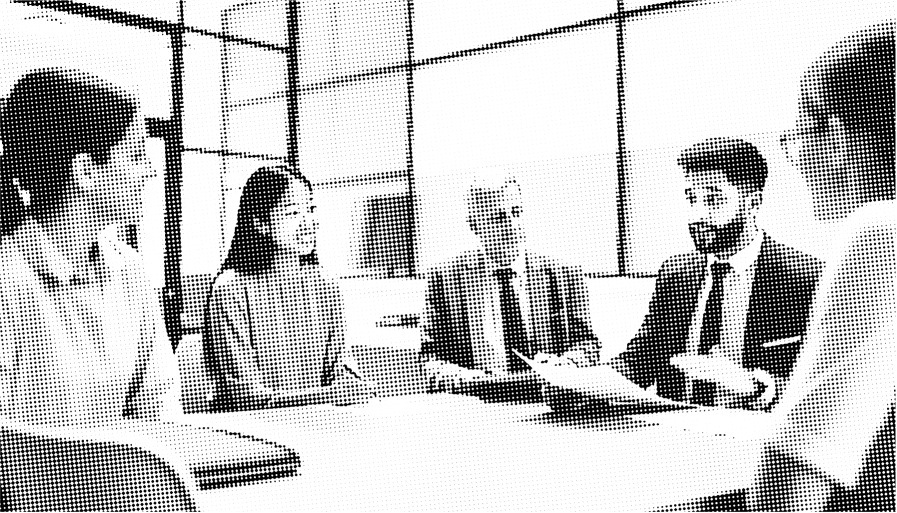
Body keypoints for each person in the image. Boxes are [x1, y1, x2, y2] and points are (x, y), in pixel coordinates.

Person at [748, 21, 895, 512]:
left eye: (803, 125)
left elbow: (795, 474)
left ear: (851, 133)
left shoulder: (879, 231)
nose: (791, 154)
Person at [0, 68, 181, 425]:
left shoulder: (129, 270)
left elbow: (158, 408)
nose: (151, 171)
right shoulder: (9, 278)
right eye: (136, 155)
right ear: (86, 171)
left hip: (126, 476)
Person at [602, 138, 823, 411]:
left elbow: (825, 379)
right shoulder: (676, 272)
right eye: (691, 198)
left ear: (752, 203)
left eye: (714, 199)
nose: (697, 215)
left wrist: (764, 387)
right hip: (677, 430)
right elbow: (642, 358)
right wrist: (588, 382)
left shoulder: (806, 276)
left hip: (755, 434)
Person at [203, 165, 375, 412]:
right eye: (293, 213)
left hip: (319, 423)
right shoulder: (231, 288)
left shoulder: (326, 284)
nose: (309, 223)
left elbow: (341, 368)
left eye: (311, 209)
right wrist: (328, 396)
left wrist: (355, 387)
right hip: (253, 430)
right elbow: (245, 395)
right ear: (260, 223)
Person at [419, 174, 600, 401]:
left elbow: (588, 345)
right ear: (475, 225)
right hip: (480, 403)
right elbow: (431, 361)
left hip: (549, 402)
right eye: (499, 217)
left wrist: (565, 365)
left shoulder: (565, 275)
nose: (513, 225)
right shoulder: (445, 279)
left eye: (517, 212)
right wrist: (474, 382)